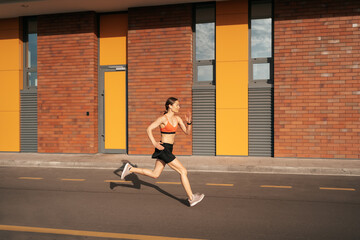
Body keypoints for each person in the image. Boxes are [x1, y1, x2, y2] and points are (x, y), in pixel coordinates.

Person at [121, 97, 205, 207]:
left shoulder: (178, 119)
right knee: (183, 171)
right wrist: (154, 143)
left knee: (155, 174)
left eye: (179, 105)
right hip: (163, 148)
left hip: (169, 149)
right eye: (177, 105)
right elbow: (149, 129)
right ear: (170, 106)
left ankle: (130, 168)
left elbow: (187, 133)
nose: (179, 107)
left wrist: (189, 123)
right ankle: (191, 198)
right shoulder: (163, 119)